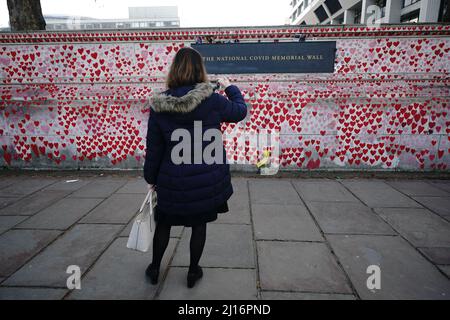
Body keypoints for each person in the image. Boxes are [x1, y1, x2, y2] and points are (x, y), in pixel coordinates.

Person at [143, 47, 247, 288]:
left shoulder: (160, 104)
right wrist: (230, 87)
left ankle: (155, 268)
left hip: (171, 179)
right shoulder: (212, 100)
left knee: (164, 224)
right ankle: (192, 272)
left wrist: (151, 178)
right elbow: (240, 112)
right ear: (201, 70)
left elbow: (154, 148)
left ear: (174, 71)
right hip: (205, 179)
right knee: (199, 225)